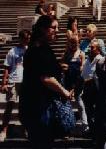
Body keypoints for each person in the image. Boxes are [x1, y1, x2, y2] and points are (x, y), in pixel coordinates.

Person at [19, 15, 73, 149]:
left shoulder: (38, 48)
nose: (57, 30)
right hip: (39, 107)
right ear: (43, 29)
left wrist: (59, 67)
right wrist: (64, 91)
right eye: (54, 27)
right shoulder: (39, 49)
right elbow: (46, 78)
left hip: (35, 106)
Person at [0, 30, 31, 142]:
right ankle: (3, 130)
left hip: (26, 81)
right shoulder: (12, 51)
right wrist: (4, 83)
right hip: (13, 80)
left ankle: (26, 129)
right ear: (21, 38)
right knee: (9, 106)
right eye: (25, 39)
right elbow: (7, 68)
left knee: (26, 108)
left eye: (28, 39)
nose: (27, 41)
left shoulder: (30, 50)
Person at [60, 36, 88, 134]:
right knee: (67, 105)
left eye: (75, 43)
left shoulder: (81, 53)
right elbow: (61, 64)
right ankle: (67, 126)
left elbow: (82, 68)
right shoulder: (66, 53)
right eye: (71, 42)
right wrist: (64, 66)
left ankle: (85, 126)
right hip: (68, 81)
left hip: (78, 82)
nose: (73, 45)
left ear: (78, 43)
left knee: (80, 103)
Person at [81, 40, 104, 135]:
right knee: (89, 113)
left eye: (92, 48)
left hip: (97, 91)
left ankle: (98, 134)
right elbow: (83, 75)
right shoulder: (87, 60)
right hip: (87, 91)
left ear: (98, 50)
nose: (90, 49)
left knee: (97, 114)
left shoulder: (101, 60)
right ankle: (92, 132)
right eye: (90, 47)